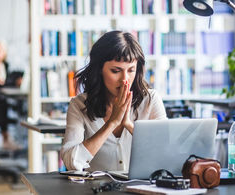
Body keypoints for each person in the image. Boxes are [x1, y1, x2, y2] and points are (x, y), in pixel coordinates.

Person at [61, 31, 167, 172]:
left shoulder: (150, 100)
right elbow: (71, 162)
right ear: (99, 69)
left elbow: (164, 154)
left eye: (131, 70)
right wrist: (112, 123)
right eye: (116, 71)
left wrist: (129, 125)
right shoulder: (79, 105)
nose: (125, 79)